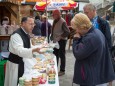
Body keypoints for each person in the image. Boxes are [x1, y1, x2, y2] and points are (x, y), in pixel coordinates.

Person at [71, 13, 115, 86]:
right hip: (96, 74)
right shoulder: (96, 32)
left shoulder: (91, 37)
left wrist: (76, 39)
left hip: (92, 78)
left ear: (82, 26)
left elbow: (78, 53)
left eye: (77, 29)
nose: (77, 31)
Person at [4, 16, 41, 86]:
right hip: (16, 64)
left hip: (23, 63)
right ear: (23, 24)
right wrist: (33, 50)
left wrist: (38, 49)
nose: (33, 26)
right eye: (31, 24)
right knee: (15, 82)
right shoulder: (16, 35)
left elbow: (29, 46)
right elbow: (19, 50)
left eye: (33, 24)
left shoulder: (26, 33)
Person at [50, 9, 70, 76]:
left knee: (62, 55)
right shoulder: (55, 20)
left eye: (54, 14)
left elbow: (67, 32)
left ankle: (62, 70)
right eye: (52, 14)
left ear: (58, 14)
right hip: (56, 41)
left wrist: (61, 37)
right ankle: (55, 67)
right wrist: (52, 36)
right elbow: (53, 29)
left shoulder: (62, 21)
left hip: (62, 41)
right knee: (55, 55)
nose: (52, 16)